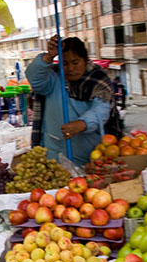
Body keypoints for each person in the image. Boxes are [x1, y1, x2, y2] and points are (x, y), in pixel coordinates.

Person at [27, 36, 123, 166]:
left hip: (89, 158)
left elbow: (102, 109)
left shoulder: (97, 80)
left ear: (85, 60)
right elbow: (34, 78)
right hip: (55, 156)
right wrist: (48, 56)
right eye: (65, 64)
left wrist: (83, 123)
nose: (71, 69)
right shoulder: (53, 78)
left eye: (75, 62)